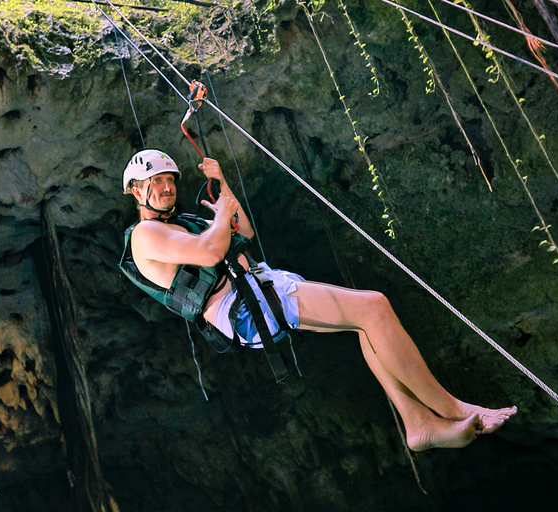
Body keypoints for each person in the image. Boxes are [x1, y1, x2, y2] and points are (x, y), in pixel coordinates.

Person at [119, 149, 517, 451]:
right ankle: (454, 409)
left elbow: (245, 232)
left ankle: (417, 422)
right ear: (137, 191)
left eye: (170, 179)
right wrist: (221, 218)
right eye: (155, 182)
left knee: (365, 325)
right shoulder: (145, 235)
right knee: (373, 307)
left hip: (261, 288)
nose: (167, 187)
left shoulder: (183, 223)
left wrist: (223, 186)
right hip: (246, 306)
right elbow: (210, 252)